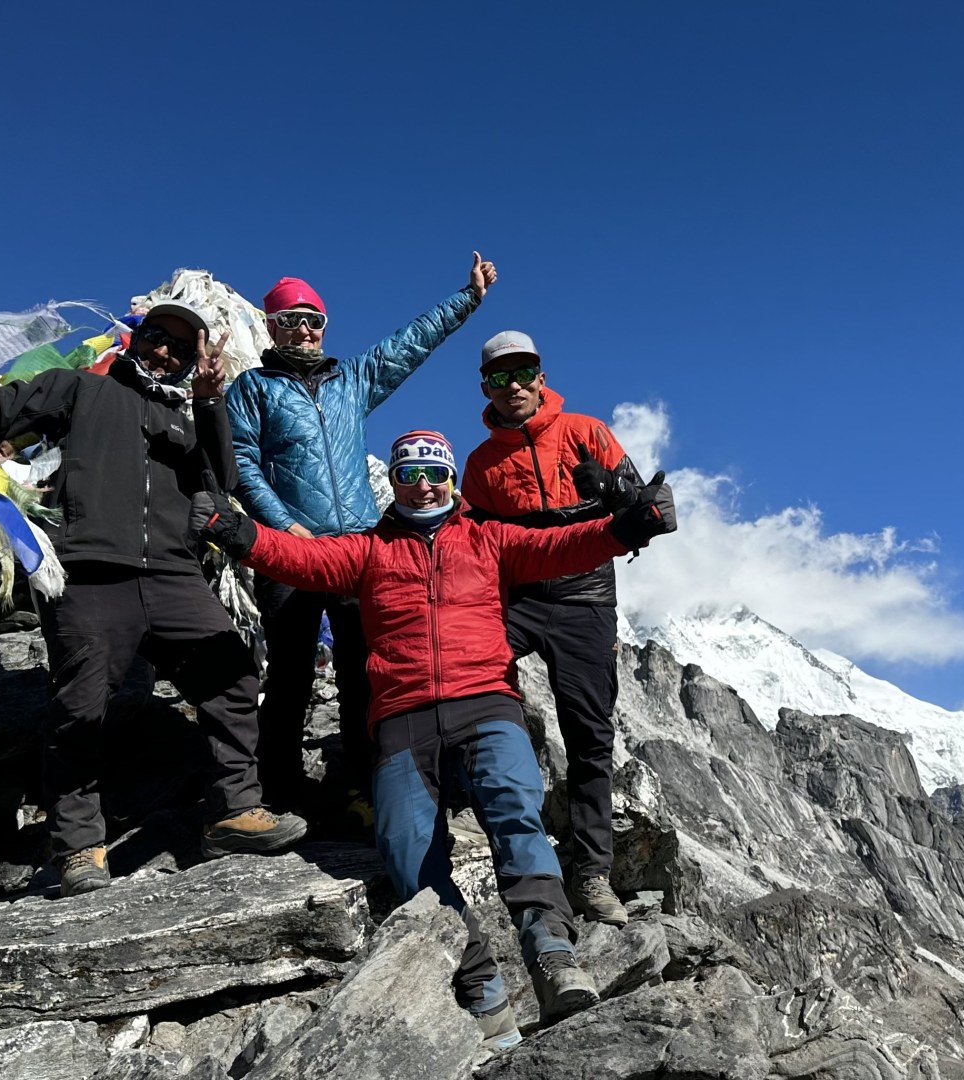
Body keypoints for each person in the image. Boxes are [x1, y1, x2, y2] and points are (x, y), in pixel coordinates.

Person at [190, 429, 677, 1051]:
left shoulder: (489, 538)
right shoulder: (366, 550)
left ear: (449, 477)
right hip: (401, 715)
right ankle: (481, 989)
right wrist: (235, 531)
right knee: (405, 853)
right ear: (393, 483)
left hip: (487, 703)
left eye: (434, 472)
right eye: (408, 473)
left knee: (515, 816)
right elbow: (300, 559)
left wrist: (630, 527)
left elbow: (563, 545)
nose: (423, 483)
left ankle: (553, 956)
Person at [0, 285, 306, 897]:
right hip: (88, 571)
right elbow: (7, 405)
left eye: (179, 348)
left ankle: (232, 812)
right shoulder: (83, 389)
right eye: (156, 338)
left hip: (172, 574)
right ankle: (78, 846)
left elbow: (223, 477)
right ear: (136, 340)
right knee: (82, 708)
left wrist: (211, 402)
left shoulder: (186, 421)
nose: (165, 353)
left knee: (231, 672)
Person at [225, 253, 497, 833]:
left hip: (356, 553)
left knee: (362, 673)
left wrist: (467, 299)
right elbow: (241, 464)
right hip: (290, 554)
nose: (304, 328)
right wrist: (281, 523)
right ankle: (281, 789)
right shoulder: (251, 389)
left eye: (313, 318)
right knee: (292, 675)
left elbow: (408, 344)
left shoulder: (351, 379)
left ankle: (362, 787)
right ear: (271, 327)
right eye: (291, 319)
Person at [460, 331, 643, 926]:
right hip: (515, 599)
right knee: (471, 692)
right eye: (498, 377)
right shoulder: (481, 464)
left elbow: (644, 508)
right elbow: (473, 541)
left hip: (586, 595)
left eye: (522, 373)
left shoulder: (588, 432)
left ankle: (591, 874)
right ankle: (487, 825)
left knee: (590, 734)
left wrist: (620, 500)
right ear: (484, 386)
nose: (512, 386)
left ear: (541, 375)